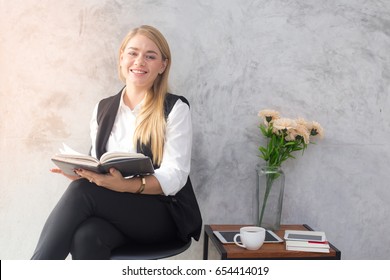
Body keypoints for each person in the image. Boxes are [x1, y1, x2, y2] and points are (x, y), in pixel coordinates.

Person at [31, 25, 202, 260]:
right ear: (122, 58)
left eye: (150, 56)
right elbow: (99, 162)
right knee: (86, 236)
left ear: (162, 65)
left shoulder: (175, 108)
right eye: (133, 53)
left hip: (163, 214)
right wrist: (86, 175)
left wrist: (126, 186)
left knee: (82, 191)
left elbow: (176, 175)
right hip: (116, 214)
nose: (139, 61)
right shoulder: (103, 108)